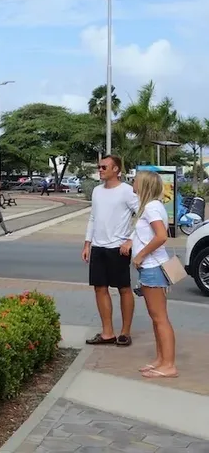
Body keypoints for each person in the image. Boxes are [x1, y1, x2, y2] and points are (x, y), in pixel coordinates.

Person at [82, 155, 139, 347]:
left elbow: (143, 215)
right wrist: (87, 243)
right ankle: (107, 333)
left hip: (118, 248)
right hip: (98, 247)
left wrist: (130, 240)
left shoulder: (127, 191)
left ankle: (125, 332)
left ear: (116, 169)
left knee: (124, 288)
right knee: (99, 288)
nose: (100, 170)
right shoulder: (97, 191)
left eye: (104, 167)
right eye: (99, 167)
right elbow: (93, 217)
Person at [126, 170, 177, 378]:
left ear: (145, 184)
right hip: (153, 266)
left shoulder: (151, 208)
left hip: (153, 266)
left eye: (136, 180)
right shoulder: (151, 206)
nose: (133, 183)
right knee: (156, 318)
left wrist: (140, 256)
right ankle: (161, 359)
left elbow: (161, 236)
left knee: (160, 318)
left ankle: (169, 365)